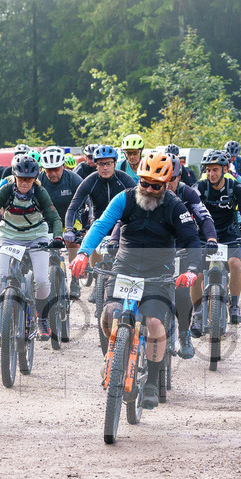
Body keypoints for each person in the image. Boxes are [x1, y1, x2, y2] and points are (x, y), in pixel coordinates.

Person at [69, 151, 202, 408]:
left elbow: (192, 240)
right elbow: (100, 225)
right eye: (144, 182)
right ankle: (115, 354)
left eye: (156, 185)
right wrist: (84, 253)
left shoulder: (174, 205)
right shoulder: (125, 198)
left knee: (154, 323)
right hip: (125, 266)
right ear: (138, 179)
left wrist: (192, 269)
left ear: (165, 185)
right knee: (109, 313)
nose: (149, 189)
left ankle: (152, 380)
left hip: (158, 273)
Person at [0, 154, 64, 343]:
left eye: (29, 179)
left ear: (35, 178)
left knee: (42, 281)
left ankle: (42, 319)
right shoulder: (5, 190)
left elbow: (54, 218)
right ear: (14, 176)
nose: (25, 183)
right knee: (0, 277)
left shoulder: (40, 192)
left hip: (36, 237)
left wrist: (57, 237)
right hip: (9, 237)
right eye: (21, 178)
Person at [194, 148, 241, 330]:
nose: (211, 174)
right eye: (208, 170)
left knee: (235, 264)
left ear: (225, 169)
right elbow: (188, 208)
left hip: (229, 235)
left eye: (215, 169)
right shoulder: (200, 187)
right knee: (196, 273)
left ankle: (234, 305)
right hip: (204, 236)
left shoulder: (235, 187)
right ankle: (197, 311)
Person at [167, 155, 217, 360]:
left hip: (183, 245)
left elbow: (204, 217)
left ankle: (185, 334)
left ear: (180, 176)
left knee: (181, 292)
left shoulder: (188, 193)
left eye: (172, 178)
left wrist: (211, 238)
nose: (167, 183)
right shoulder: (150, 190)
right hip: (158, 247)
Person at [63, 145, 137, 242]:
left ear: (115, 164)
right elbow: (73, 208)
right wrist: (69, 229)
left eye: (108, 163)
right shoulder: (90, 181)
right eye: (101, 164)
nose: (105, 168)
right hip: (99, 226)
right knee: (90, 250)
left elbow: (139, 203)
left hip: (121, 226)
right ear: (96, 165)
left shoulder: (124, 179)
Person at [37, 146, 83, 296]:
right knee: (49, 250)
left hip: (70, 219)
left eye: (56, 169)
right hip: (48, 221)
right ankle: (52, 276)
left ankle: (75, 281)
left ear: (63, 166)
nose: (52, 173)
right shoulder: (39, 180)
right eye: (48, 170)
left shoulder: (73, 179)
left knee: (74, 243)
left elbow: (86, 197)